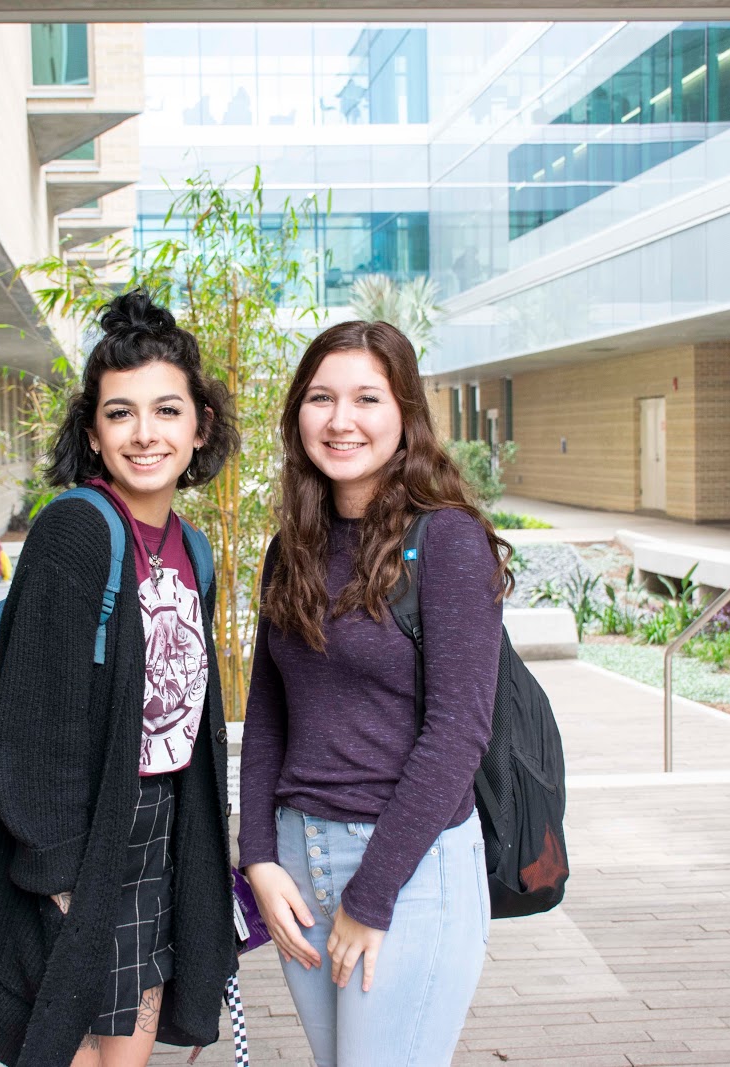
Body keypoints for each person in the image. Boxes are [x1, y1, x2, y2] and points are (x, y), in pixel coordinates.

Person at [0, 289, 241, 1067]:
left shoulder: (193, 548)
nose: (145, 433)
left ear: (200, 425)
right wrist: (59, 877)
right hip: (81, 842)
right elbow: (28, 722)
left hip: (157, 832)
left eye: (167, 410)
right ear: (94, 433)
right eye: (120, 413)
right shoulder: (77, 530)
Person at [238, 320, 515, 1067]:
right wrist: (258, 856)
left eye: (367, 397)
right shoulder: (291, 547)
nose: (341, 420)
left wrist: (372, 894)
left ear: (405, 413)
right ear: (298, 413)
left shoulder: (448, 540)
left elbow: (458, 732)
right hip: (297, 862)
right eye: (320, 398)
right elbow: (267, 710)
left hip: (408, 865)